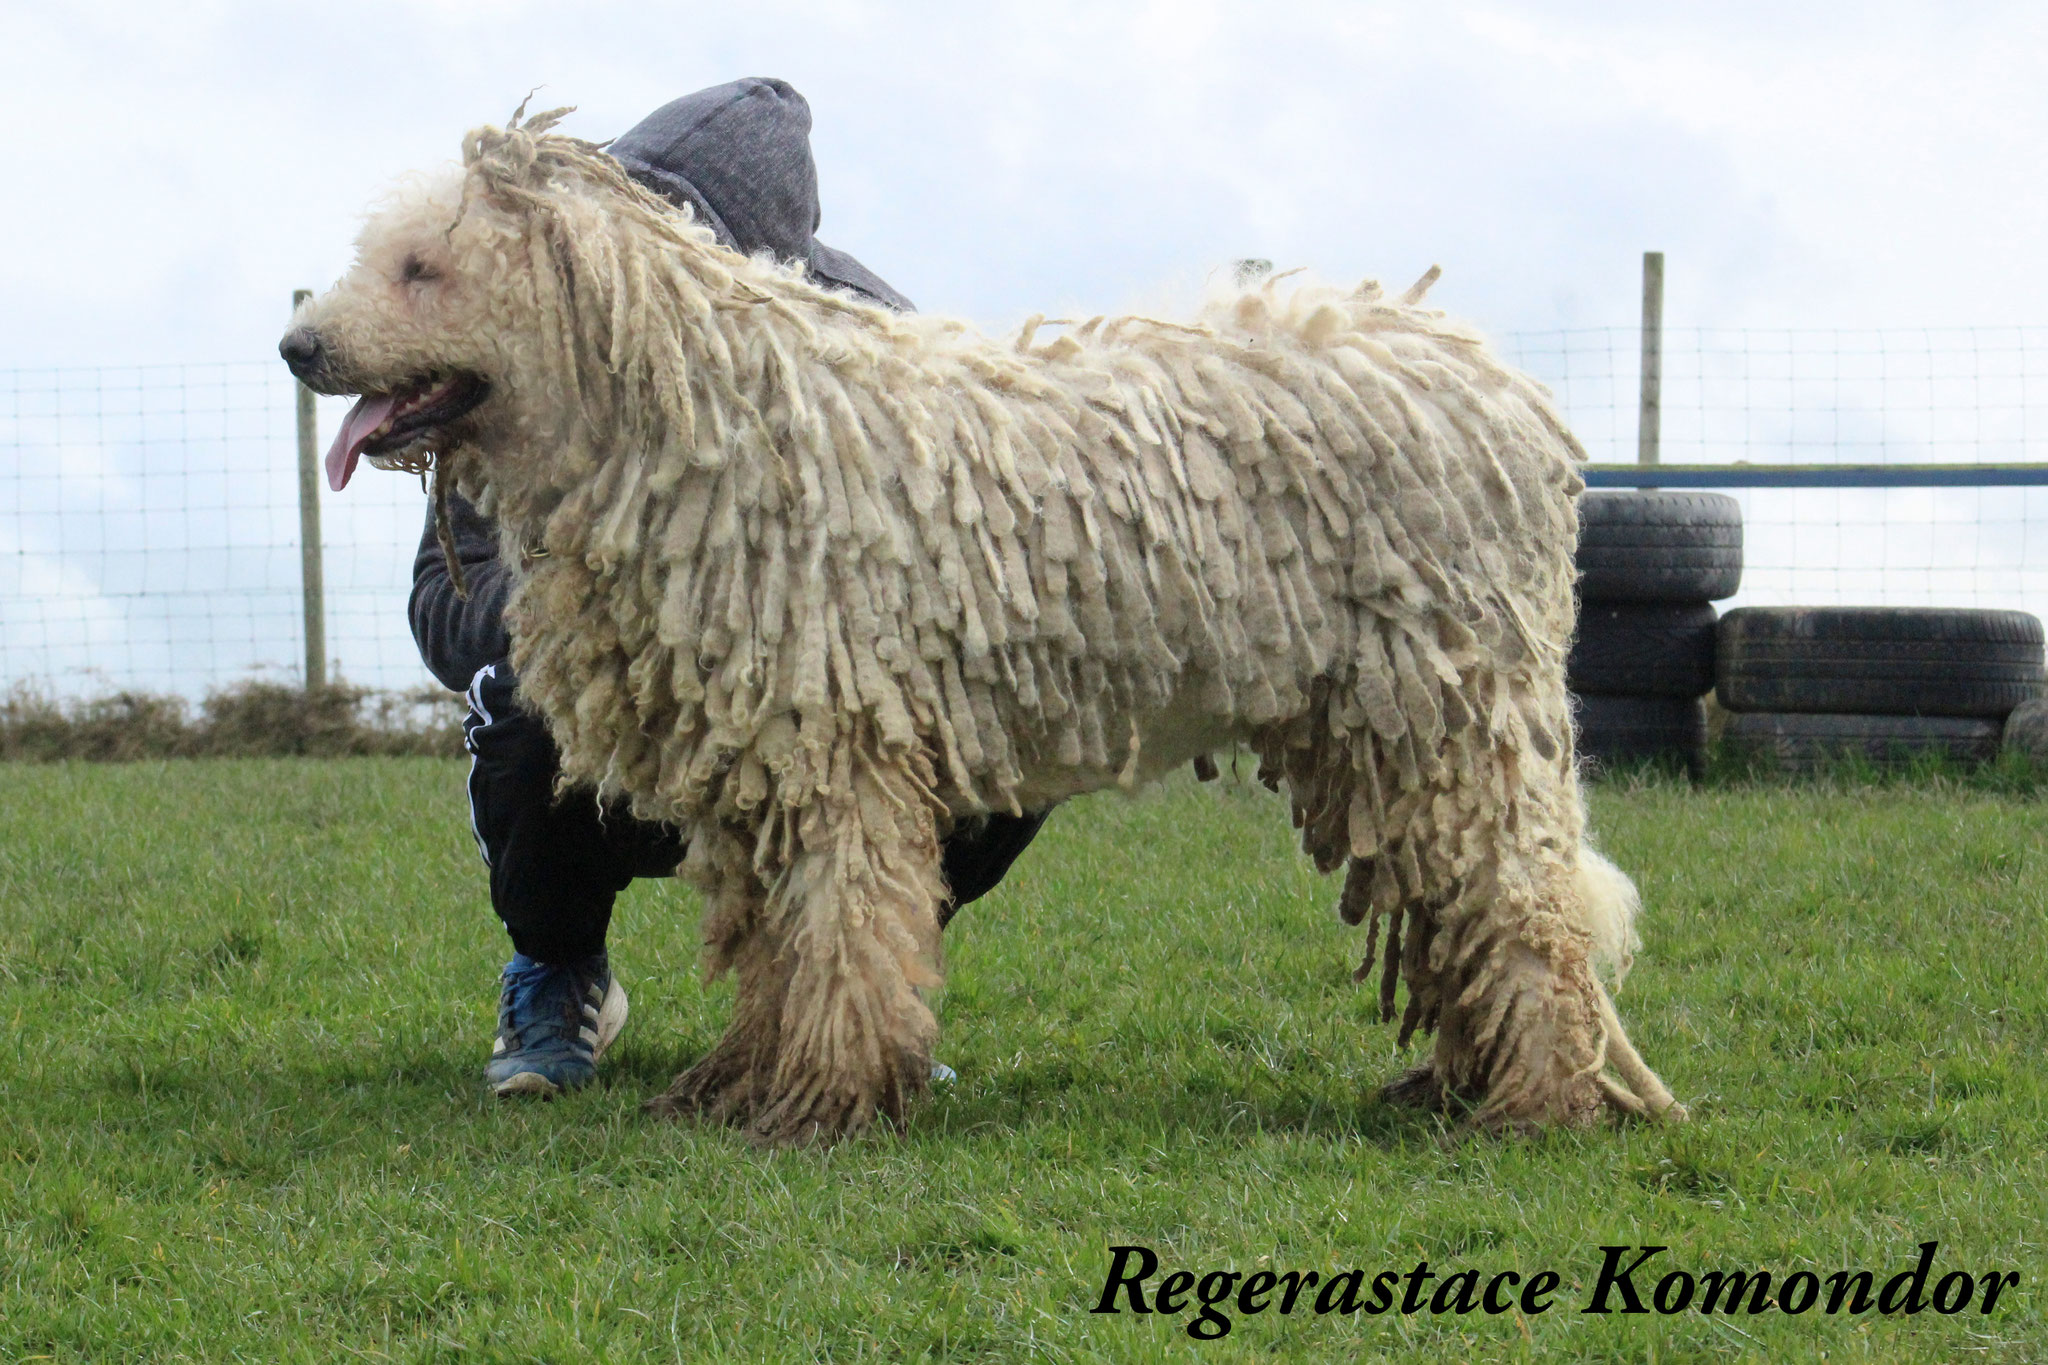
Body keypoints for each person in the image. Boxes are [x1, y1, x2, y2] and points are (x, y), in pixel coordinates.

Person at [408, 79, 1050, 1097]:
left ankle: (853, 992)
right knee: (529, 707)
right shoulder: (531, 359)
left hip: (819, 730)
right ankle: (557, 964)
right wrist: (582, 615)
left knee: (993, 725)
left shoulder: (880, 348)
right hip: (625, 750)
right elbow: (443, 600)